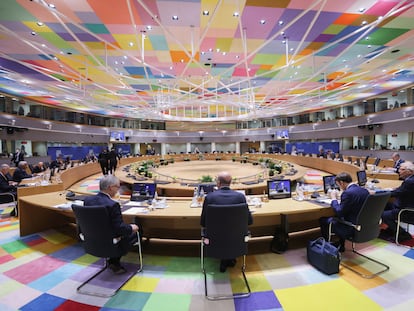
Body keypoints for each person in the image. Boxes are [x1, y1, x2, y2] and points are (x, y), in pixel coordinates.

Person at [83, 175, 140, 274]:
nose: (118, 190)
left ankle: (112, 261)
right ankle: (114, 261)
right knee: (136, 230)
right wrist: (133, 227)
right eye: (117, 187)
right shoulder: (113, 205)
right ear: (110, 187)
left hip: (92, 241)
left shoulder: (88, 200)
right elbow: (120, 229)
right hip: (110, 243)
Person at [201, 171, 253, 272]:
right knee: (231, 231)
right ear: (230, 183)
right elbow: (249, 221)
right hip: (237, 238)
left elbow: (203, 223)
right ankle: (230, 256)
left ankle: (224, 258)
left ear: (218, 183)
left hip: (214, 240)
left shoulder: (209, 198)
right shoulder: (240, 197)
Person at [319, 172, 369, 252]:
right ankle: (340, 244)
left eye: (338, 185)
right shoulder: (364, 191)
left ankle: (328, 247)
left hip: (351, 227)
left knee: (323, 220)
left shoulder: (347, 193)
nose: (339, 187)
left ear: (341, 183)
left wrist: (334, 199)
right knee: (340, 218)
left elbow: (339, 212)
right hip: (363, 226)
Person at [381, 161, 414, 242]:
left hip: (407, 211)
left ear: (409, 171)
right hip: (405, 205)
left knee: (383, 214)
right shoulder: (410, 179)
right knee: (384, 205)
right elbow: (401, 190)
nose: (399, 171)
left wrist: (379, 193)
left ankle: (403, 234)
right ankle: (391, 230)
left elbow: (396, 194)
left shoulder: (410, 182)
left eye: (402, 169)